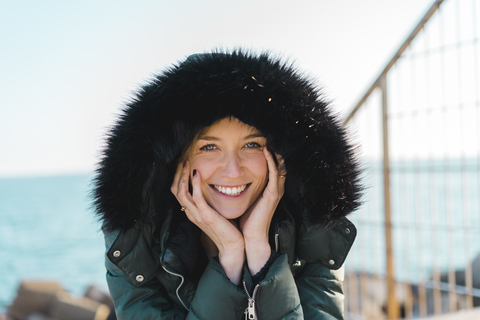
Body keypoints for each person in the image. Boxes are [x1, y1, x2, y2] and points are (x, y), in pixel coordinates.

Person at [93, 50, 362, 320]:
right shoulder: (134, 246)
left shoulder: (315, 233)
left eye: (251, 145)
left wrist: (260, 254)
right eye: (209, 147)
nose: (233, 171)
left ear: (278, 157)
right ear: (177, 161)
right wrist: (230, 258)